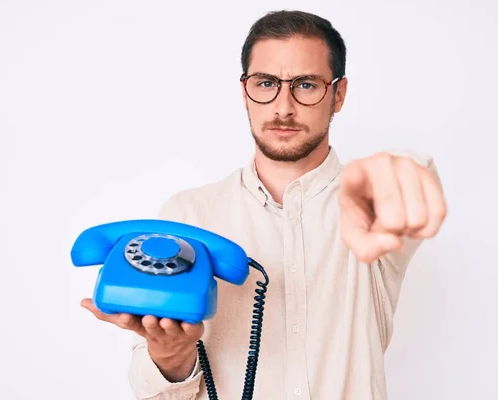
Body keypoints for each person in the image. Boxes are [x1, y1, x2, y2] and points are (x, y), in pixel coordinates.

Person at [81, 9, 447, 400]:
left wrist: (400, 171)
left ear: (338, 95)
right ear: (245, 93)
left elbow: (414, 188)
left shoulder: (370, 209)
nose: (283, 107)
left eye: (306, 85)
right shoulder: (188, 214)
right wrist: (171, 357)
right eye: (266, 83)